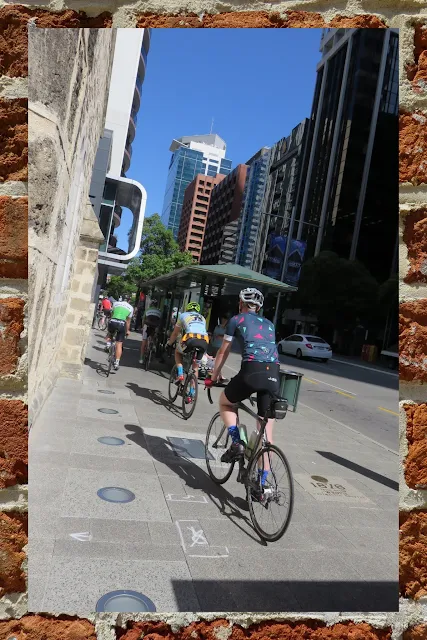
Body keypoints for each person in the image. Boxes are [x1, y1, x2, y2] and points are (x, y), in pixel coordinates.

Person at [206, 288, 280, 488]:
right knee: (266, 431)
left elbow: (223, 351)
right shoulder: (270, 324)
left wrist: (214, 376)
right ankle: (263, 484)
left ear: (240, 303)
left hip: (251, 372)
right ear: (259, 307)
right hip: (273, 373)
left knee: (226, 402)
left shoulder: (236, 320)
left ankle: (237, 443)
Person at [166, 301, 209, 394]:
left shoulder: (183, 315)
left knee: (178, 352)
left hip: (191, 338)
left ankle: (180, 374)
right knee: (195, 367)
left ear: (187, 309)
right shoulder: (202, 318)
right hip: (204, 341)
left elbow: (175, 333)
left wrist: (169, 343)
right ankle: (192, 393)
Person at [105, 294, 134, 370]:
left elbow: (112, 314)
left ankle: (108, 345)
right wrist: (127, 330)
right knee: (119, 344)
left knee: (110, 333)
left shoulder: (115, 303)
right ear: (129, 300)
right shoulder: (131, 308)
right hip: (122, 324)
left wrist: (111, 321)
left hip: (113, 321)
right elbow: (128, 321)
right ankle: (117, 363)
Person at [139, 298, 162, 364]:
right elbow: (160, 321)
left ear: (151, 304)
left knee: (144, 340)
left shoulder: (148, 310)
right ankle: (153, 345)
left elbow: (143, 319)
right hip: (155, 326)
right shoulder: (159, 311)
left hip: (147, 325)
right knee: (153, 335)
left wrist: (142, 327)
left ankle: (141, 358)